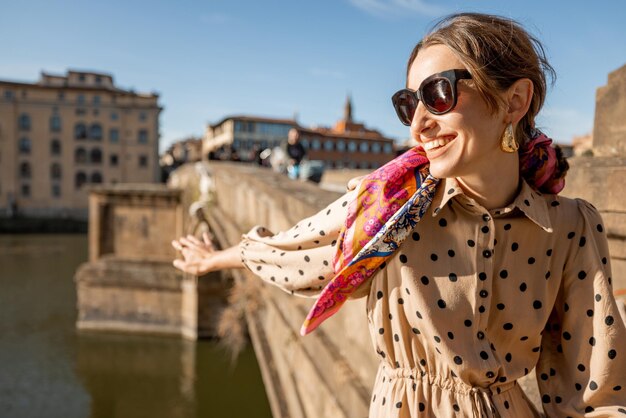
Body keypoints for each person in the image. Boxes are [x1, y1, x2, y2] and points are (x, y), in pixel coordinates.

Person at [172, 13, 626, 417]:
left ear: (514, 102)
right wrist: (211, 261)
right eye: (410, 104)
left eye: (439, 94)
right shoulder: (392, 209)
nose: (417, 124)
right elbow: (293, 254)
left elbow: (595, 391)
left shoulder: (570, 227)